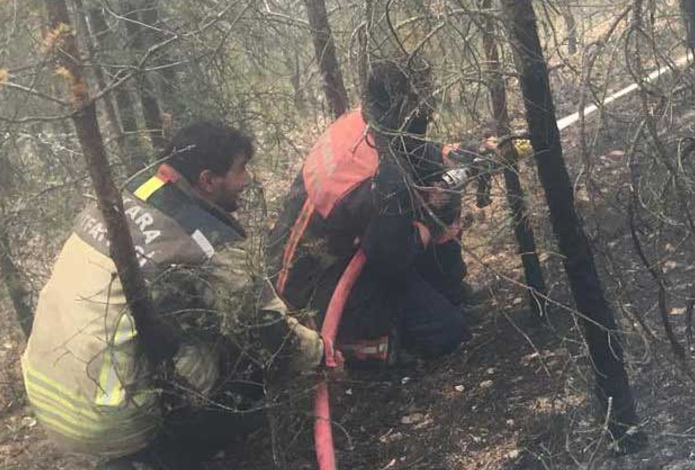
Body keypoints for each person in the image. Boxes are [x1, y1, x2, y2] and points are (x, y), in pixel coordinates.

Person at [21, 122, 329, 470]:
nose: (246, 181)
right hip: (109, 418)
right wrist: (319, 352)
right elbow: (267, 325)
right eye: (240, 170)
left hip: (46, 394)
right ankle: (174, 452)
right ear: (208, 180)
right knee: (241, 348)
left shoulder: (125, 194)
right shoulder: (209, 240)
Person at [269, 58, 494, 364]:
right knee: (445, 332)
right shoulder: (378, 178)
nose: (430, 114)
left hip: (339, 252)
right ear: (403, 112)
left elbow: (413, 150)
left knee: (440, 202)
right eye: (422, 109)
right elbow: (392, 258)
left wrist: (463, 153)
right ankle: (367, 347)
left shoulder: (364, 124)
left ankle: (451, 294)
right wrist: (428, 221)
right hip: (317, 290)